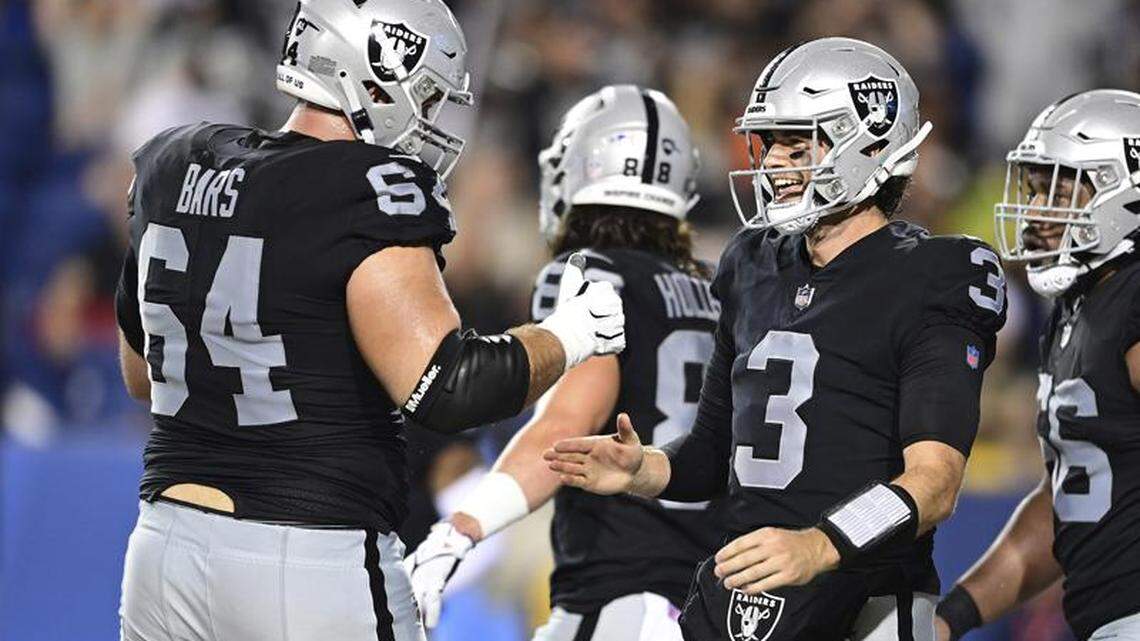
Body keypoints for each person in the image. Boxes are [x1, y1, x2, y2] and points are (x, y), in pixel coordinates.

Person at [113, 2, 625, 640]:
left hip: (163, 548)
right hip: (305, 556)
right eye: (429, 97)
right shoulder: (368, 188)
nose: (432, 120)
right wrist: (574, 332)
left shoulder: (175, 161)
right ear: (378, 75)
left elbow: (144, 374)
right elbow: (449, 386)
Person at [544, 37, 1008, 641]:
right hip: (746, 595)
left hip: (866, 601)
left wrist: (821, 545)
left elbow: (935, 482)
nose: (773, 166)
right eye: (771, 145)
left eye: (799, 144)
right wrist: (645, 469)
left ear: (869, 143)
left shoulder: (933, 275)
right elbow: (713, 454)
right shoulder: (751, 260)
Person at [403, 85, 723, 639]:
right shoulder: (719, 287)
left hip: (625, 593)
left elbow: (565, 427)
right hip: (716, 601)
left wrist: (460, 529)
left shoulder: (592, 273)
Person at [936, 89, 1140, 641]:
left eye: (1061, 187)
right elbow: (1065, 501)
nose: (1037, 208)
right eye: (1033, 186)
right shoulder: (1079, 307)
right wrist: (949, 620)